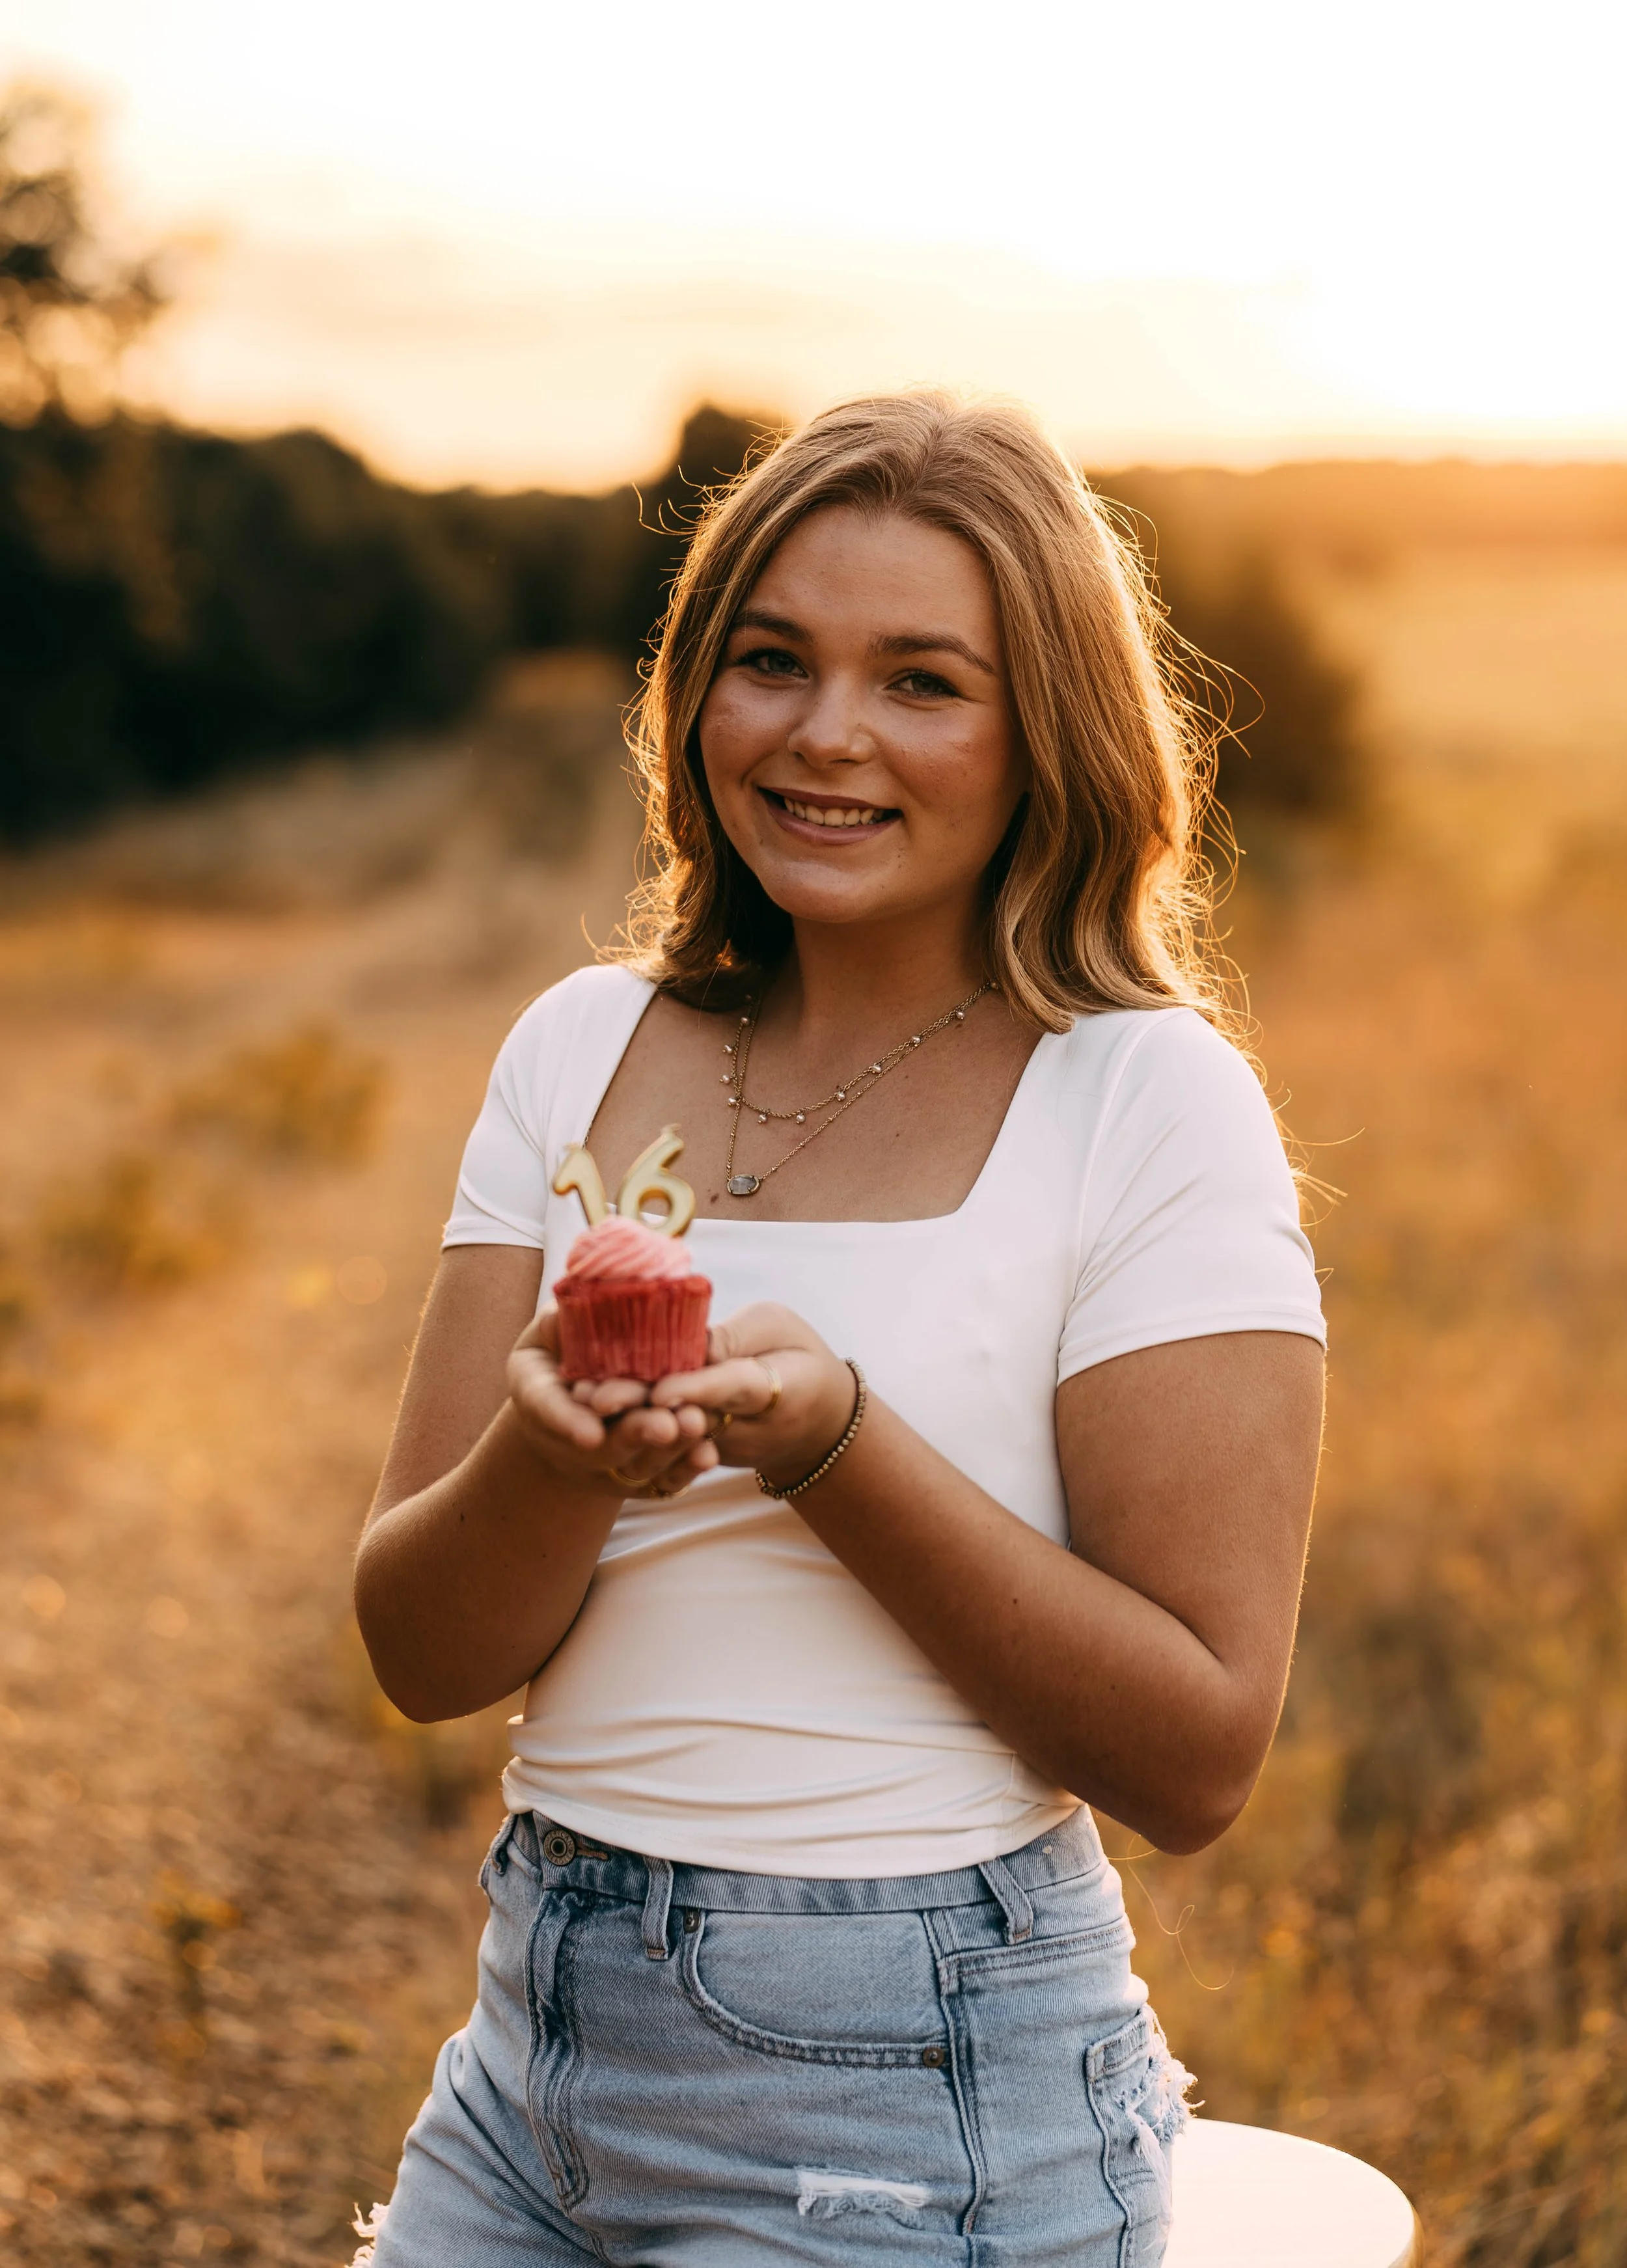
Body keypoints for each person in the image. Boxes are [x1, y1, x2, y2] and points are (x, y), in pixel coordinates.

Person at [351, 392, 1326, 2267]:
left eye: (922, 682)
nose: (823, 734)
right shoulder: (580, 1043)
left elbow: (1200, 1753)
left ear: (1046, 730)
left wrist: (831, 1447)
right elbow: (419, 1646)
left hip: (916, 2082)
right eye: (771, 659)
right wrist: (551, 1455)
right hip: (532, 2046)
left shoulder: (1141, 1098)